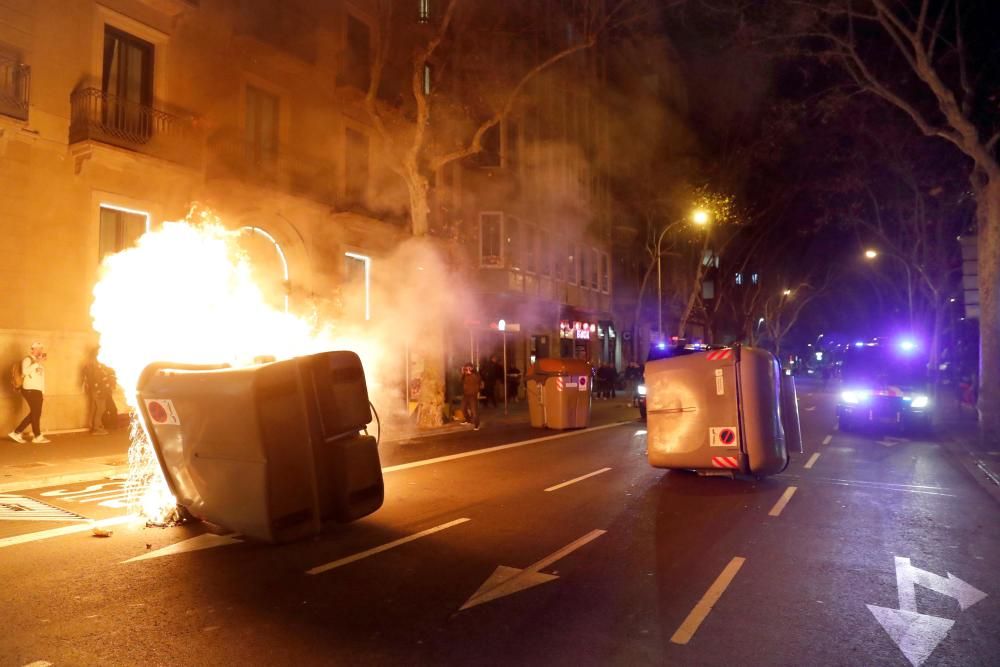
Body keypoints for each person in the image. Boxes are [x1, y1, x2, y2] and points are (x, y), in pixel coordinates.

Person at [9, 342, 50, 444]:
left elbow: (41, 379)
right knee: (36, 413)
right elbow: (25, 372)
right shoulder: (28, 359)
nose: (40, 350)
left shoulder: (39, 363)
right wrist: (36, 362)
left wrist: (42, 392)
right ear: (32, 350)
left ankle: (17, 432)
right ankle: (37, 436)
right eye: (37, 349)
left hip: (37, 391)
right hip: (29, 389)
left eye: (41, 348)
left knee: (36, 413)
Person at [83, 347, 117, 436]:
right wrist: (100, 389)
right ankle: (97, 428)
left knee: (95, 408)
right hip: (99, 390)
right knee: (101, 409)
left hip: (96, 390)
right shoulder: (96, 365)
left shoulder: (93, 364)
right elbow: (97, 379)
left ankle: (94, 426)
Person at [460, 364, 482, 430]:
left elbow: (478, 380)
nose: (468, 369)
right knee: (463, 408)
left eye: (469, 368)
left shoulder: (476, 374)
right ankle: (468, 420)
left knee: (474, 411)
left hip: (473, 395)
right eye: (466, 368)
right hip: (466, 394)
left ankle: (476, 425)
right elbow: (461, 381)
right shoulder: (465, 375)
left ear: (472, 368)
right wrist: (462, 374)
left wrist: (471, 374)